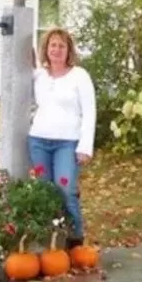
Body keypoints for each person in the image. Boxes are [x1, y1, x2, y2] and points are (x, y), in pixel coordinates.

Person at [28, 28, 96, 250]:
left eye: (61, 46)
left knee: (65, 189)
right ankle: (51, 238)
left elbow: (89, 111)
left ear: (69, 51)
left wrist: (85, 146)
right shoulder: (39, 76)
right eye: (52, 45)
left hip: (67, 142)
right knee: (44, 191)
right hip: (38, 140)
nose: (56, 50)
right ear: (46, 49)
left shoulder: (79, 76)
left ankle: (75, 239)